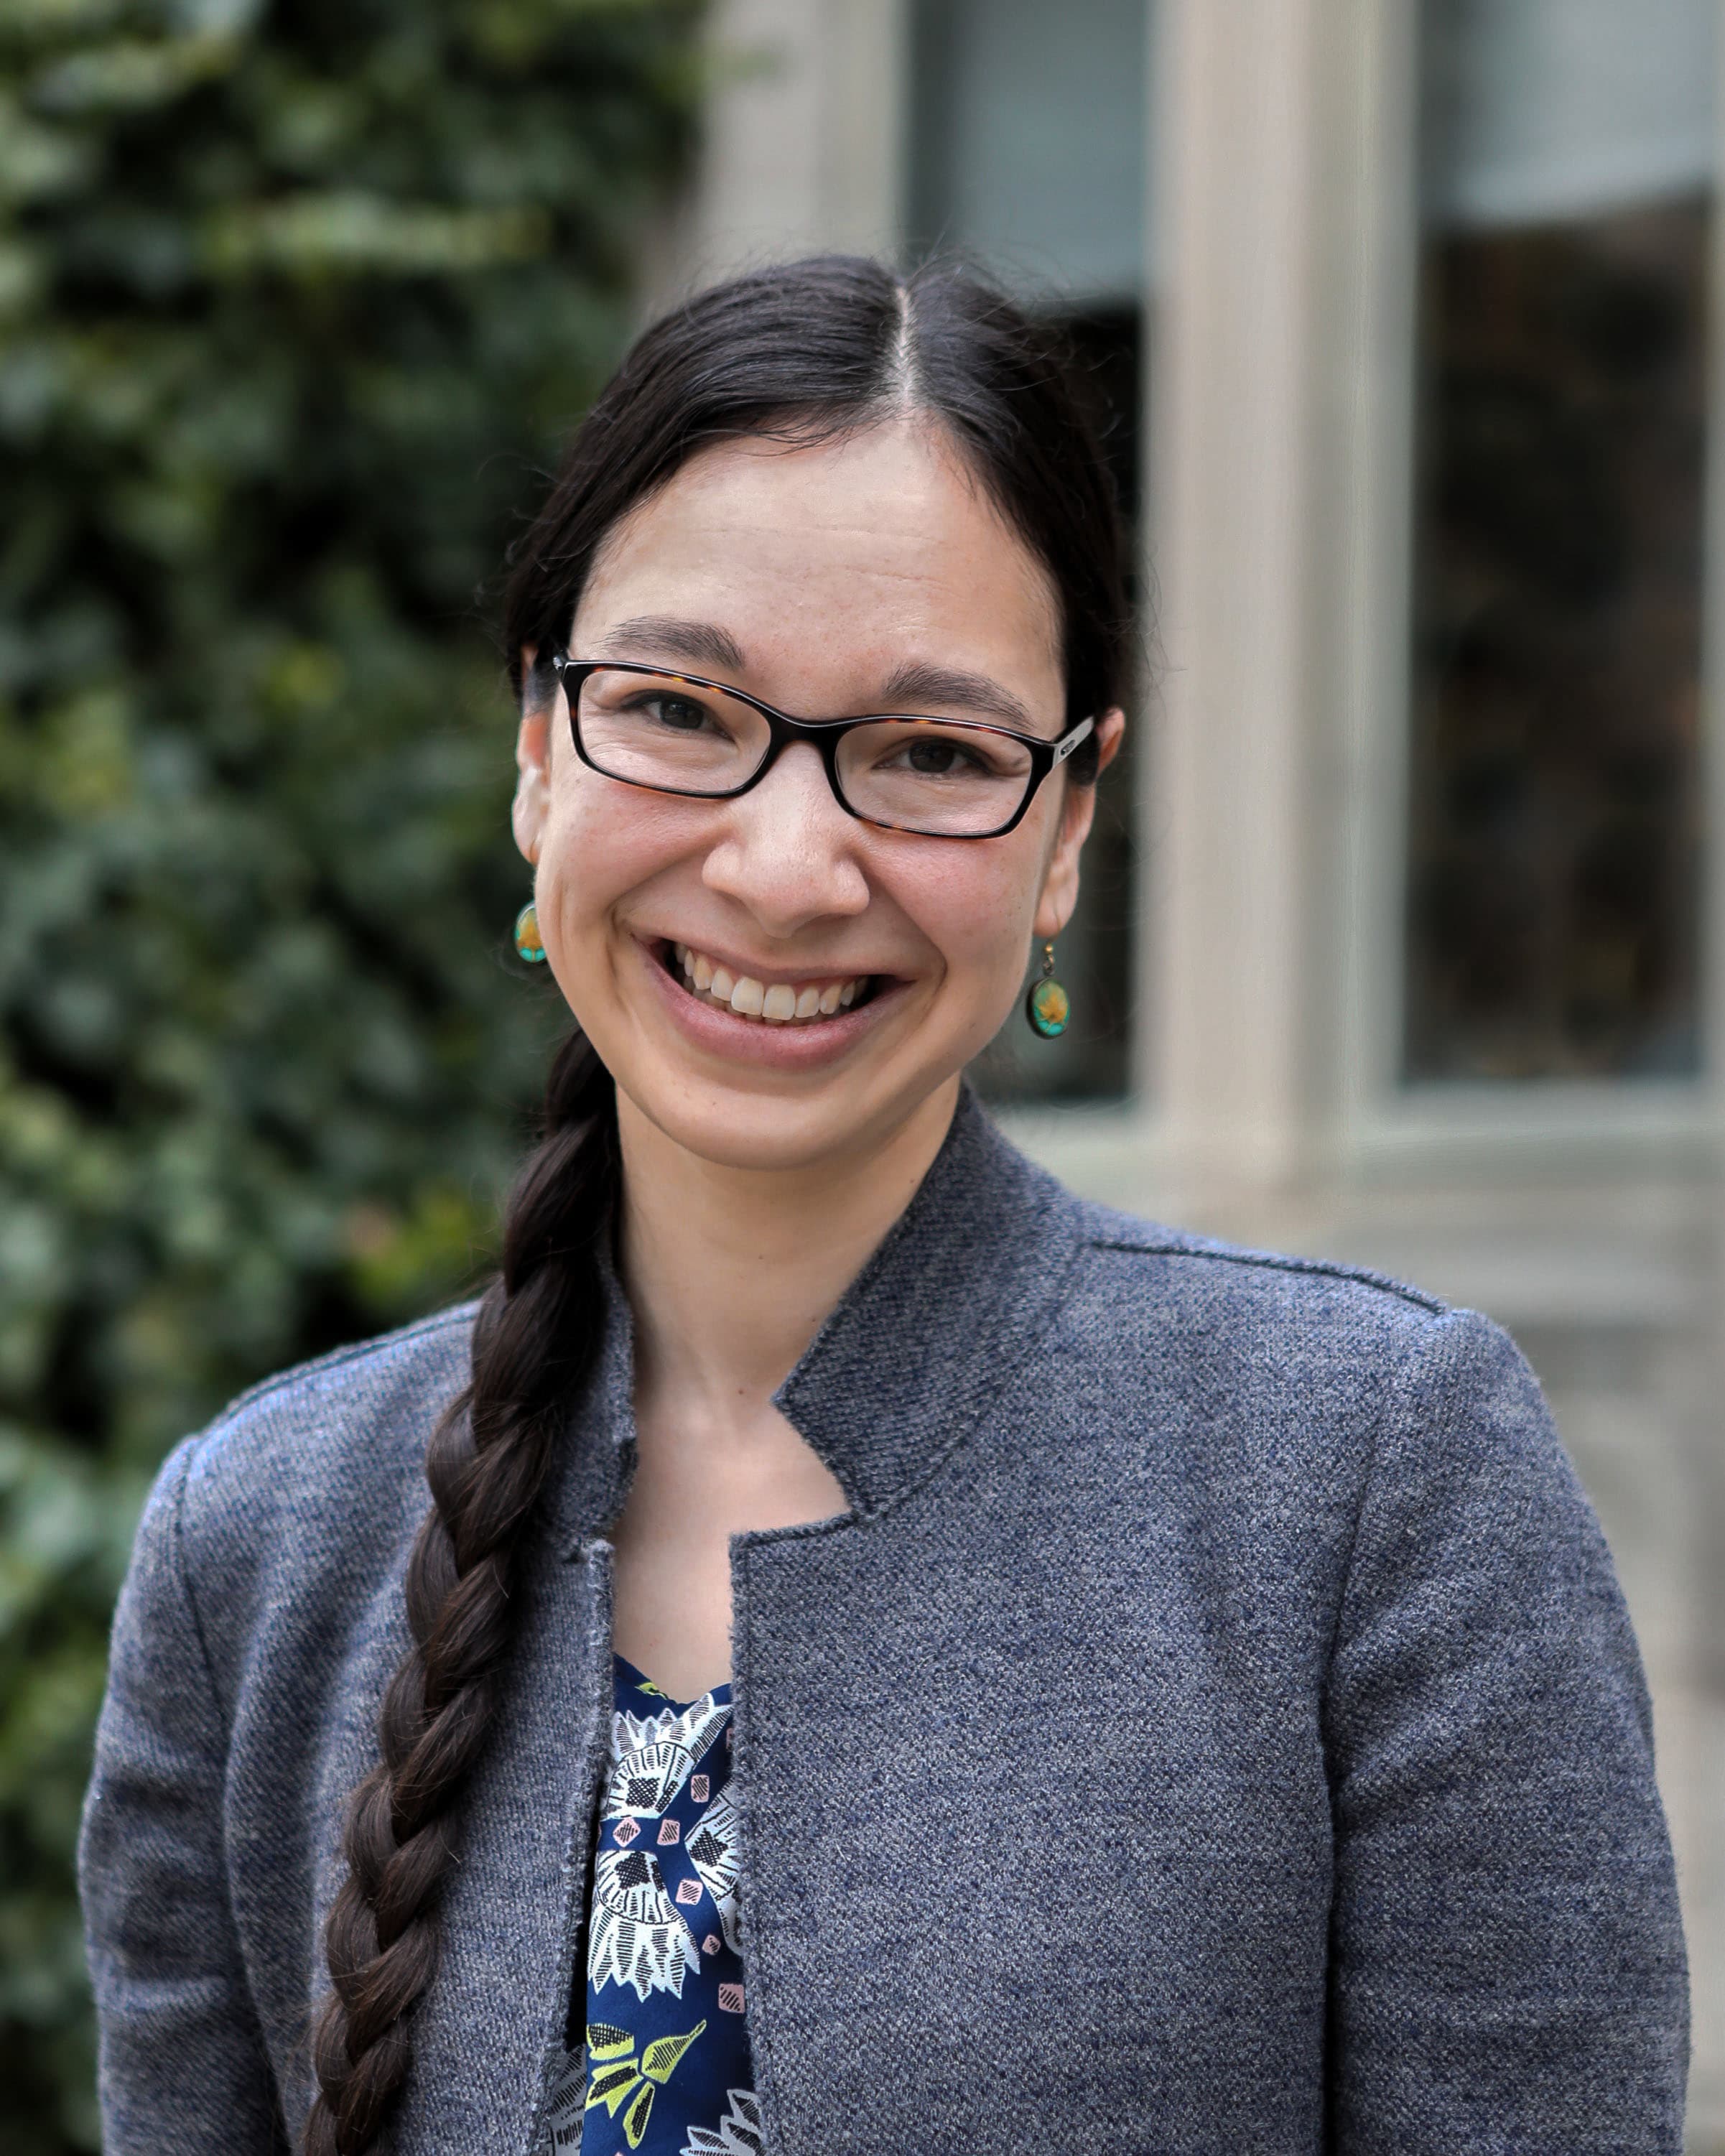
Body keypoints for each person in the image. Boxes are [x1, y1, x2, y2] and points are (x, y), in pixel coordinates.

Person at [78, 256, 1688, 2156]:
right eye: (678, 706)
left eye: (928, 753)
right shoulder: (260, 1549)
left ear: (1068, 824)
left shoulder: (1368, 1483)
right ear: (535, 747)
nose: (781, 863)